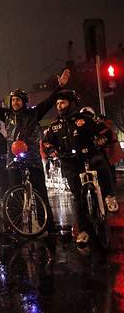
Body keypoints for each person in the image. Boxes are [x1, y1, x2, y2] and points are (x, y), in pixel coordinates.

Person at [0, 69, 70, 232]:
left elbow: (50, 101)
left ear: (24, 101)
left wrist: (60, 87)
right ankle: (14, 224)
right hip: (14, 160)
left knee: (40, 192)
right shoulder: (7, 115)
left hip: (33, 158)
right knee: (13, 192)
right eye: (13, 100)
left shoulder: (35, 113)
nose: (15, 102)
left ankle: (47, 224)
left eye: (18, 100)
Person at [42, 90, 116, 244]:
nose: (59, 106)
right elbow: (47, 142)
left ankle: (109, 196)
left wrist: (103, 138)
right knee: (77, 196)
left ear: (72, 103)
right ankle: (83, 230)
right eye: (57, 104)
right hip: (69, 162)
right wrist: (51, 150)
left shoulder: (85, 120)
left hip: (89, 155)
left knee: (101, 163)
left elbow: (105, 131)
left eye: (63, 102)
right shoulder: (54, 125)